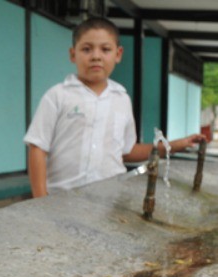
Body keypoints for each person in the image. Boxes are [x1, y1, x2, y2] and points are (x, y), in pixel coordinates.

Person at [24, 17, 206, 198]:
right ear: (73, 54)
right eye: (86, 49)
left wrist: (176, 145)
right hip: (61, 199)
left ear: (118, 54)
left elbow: (128, 151)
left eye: (105, 49)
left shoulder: (122, 99)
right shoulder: (57, 96)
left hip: (109, 200)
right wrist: (40, 199)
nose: (96, 56)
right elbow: (38, 148)